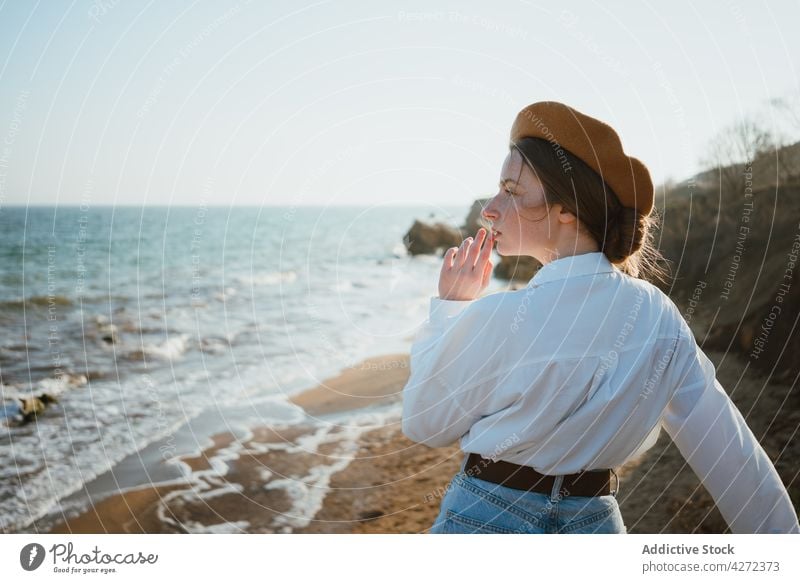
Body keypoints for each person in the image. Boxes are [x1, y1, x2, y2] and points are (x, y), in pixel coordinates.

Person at [401, 101, 799, 534]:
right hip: (596, 526)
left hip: (483, 518)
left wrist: (451, 310)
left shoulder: (499, 316)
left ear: (567, 208)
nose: (489, 209)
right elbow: (728, 452)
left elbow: (424, 422)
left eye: (511, 191)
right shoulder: (657, 317)